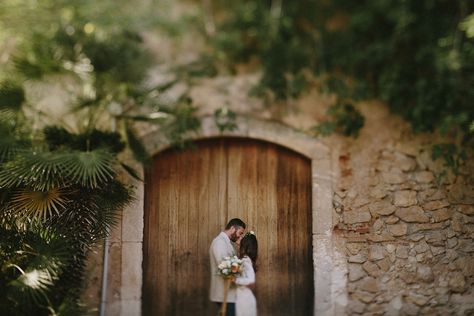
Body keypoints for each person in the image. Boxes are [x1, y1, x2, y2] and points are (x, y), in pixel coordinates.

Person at [209, 218, 246, 316]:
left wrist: (239, 248)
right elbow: (227, 269)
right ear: (233, 228)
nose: (240, 236)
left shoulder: (228, 243)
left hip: (230, 293)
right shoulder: (220, 243)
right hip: (225, 294)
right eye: (240, 233)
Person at [235, 232, 258, 316]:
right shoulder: (244, 259)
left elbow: (251, 280)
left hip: (244, 299)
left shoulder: (245, 260)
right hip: (242, 296)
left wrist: (235, 280)